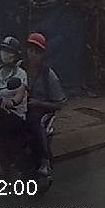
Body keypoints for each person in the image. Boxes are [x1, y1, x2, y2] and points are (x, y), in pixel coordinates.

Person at [21, 32, 65, 177]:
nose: (32, 54)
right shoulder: (20, 68)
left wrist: (39, 103)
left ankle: (44, 160)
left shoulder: (48, 75)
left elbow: (59, 103)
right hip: (20, 105)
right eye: (30, 50)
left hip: (40, 110)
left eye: (37, 52)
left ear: (42, 55)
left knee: (34, 122)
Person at [0, 37, 29, 152]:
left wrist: (12, 102)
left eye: (9, 51)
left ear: (16, 55)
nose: (5, 53)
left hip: (15, 114)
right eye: (3, 50)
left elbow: (20, 92)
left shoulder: (20, 73)